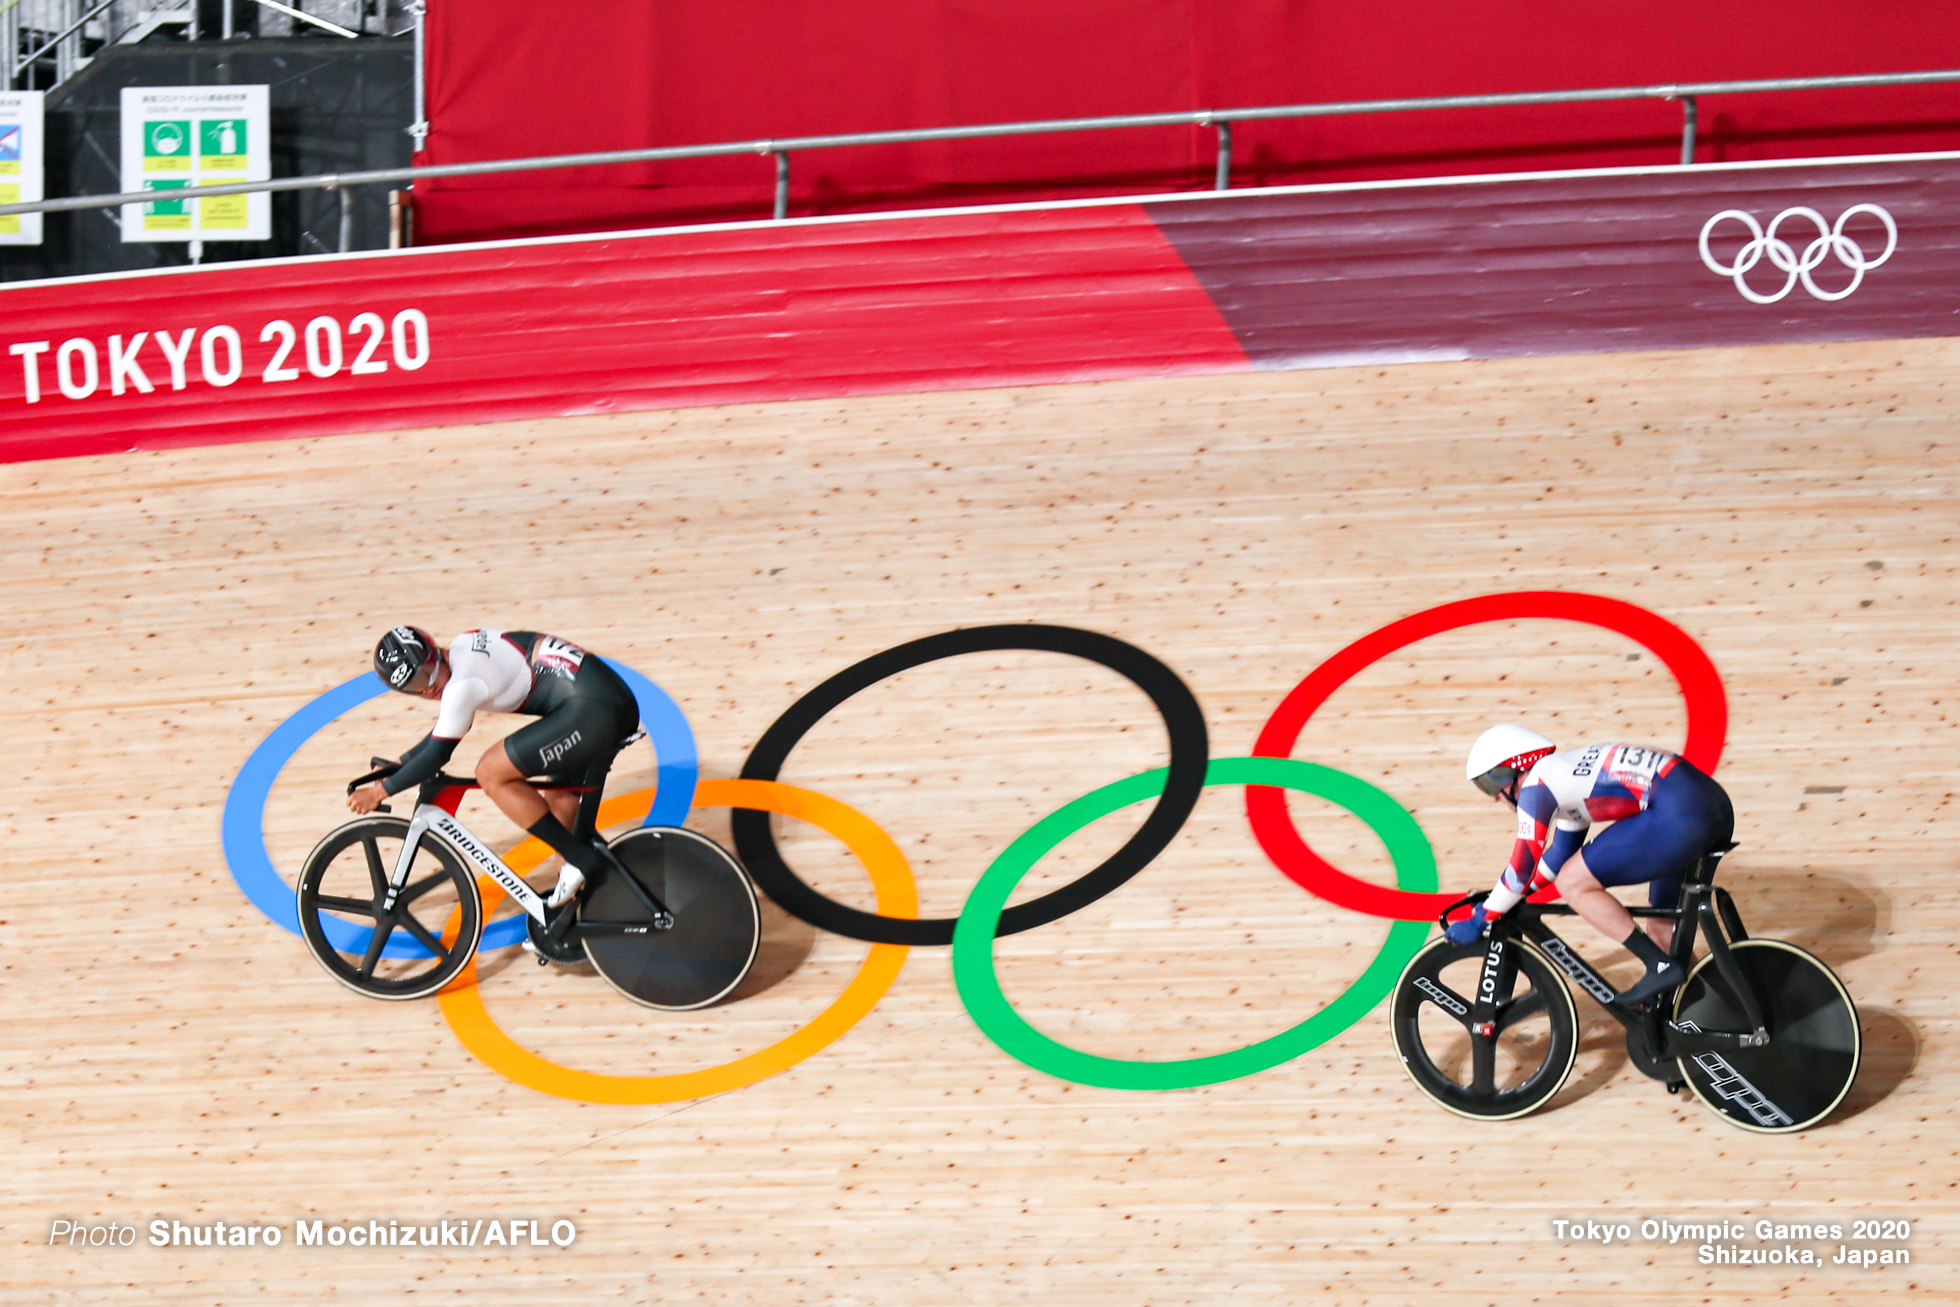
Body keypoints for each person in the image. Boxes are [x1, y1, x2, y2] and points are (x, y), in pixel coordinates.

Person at [348, 625, 641, 907]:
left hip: (593, 710)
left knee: (491, 773)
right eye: (414, 687)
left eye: (425, 674)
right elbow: (442, 733)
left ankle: (580, 860)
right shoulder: (465, 644)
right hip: (602, 700)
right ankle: (580, 906)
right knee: (559, 799)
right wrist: (398, 766)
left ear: (433, 653)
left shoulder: (463, 684)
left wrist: (380, 793)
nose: (427, 688)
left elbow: (438, 754)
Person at [1446, 723, 1734, 1006]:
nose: (1495, 797)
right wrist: (1511, 898)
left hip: (1680, 812)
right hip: (1710, 806)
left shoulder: (1537, 785)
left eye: (1491, 783)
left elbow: (1522, 867)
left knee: (1573, 883)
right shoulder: (1566, 776)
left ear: (1516, 766)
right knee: (1662, 929)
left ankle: (1658, 966)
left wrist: (1479, 917)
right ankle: (1717, 1012)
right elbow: (1559, 855)